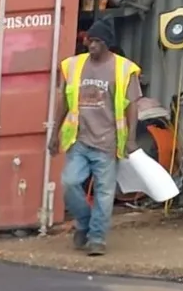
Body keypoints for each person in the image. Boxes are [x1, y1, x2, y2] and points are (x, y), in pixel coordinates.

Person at [49, 18, 143, 256]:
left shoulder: (123, 69)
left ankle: (97, 238)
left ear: (108, 44)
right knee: (69, 183)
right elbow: (64, 101)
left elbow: (132, 105)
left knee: (104, 193)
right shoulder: (74, 65)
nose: (92, 45)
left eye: (98, 41)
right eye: (89, 40)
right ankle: (84, 222)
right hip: (79, 140)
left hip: (107, 143)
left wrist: (131, 139)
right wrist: (54, 133)